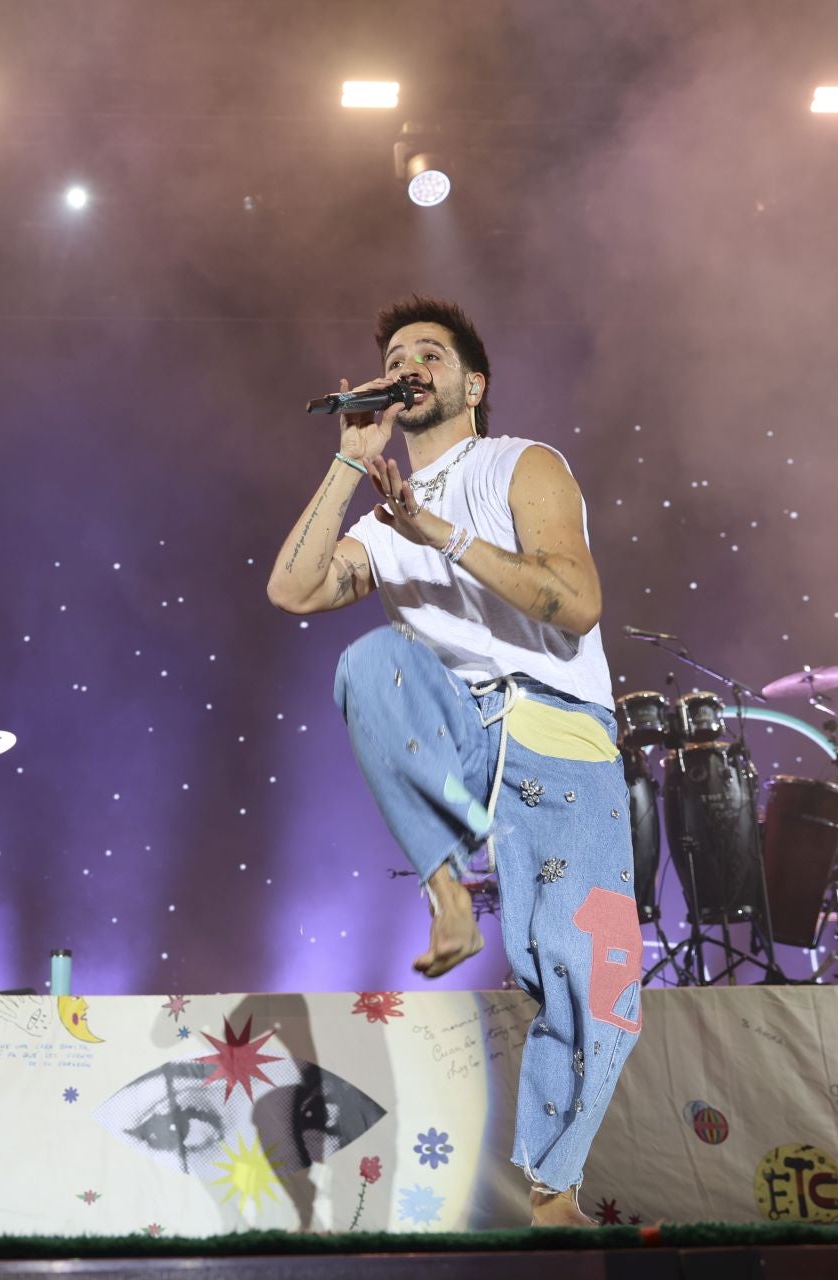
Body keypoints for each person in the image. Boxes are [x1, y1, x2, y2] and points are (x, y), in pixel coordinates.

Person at [266, 296, 640, 1227]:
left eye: (429, 354)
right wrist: (347, 463)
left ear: (474, 386)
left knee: (594, 980)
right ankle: (448, 895)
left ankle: (554, 1194)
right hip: (459, 736)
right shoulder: (380, 519)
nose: (408, 365)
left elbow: (577, 605)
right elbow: (294, 590)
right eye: (397, 355)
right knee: (369, 662)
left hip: (555, 730)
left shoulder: (522, 463)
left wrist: (442, 535)